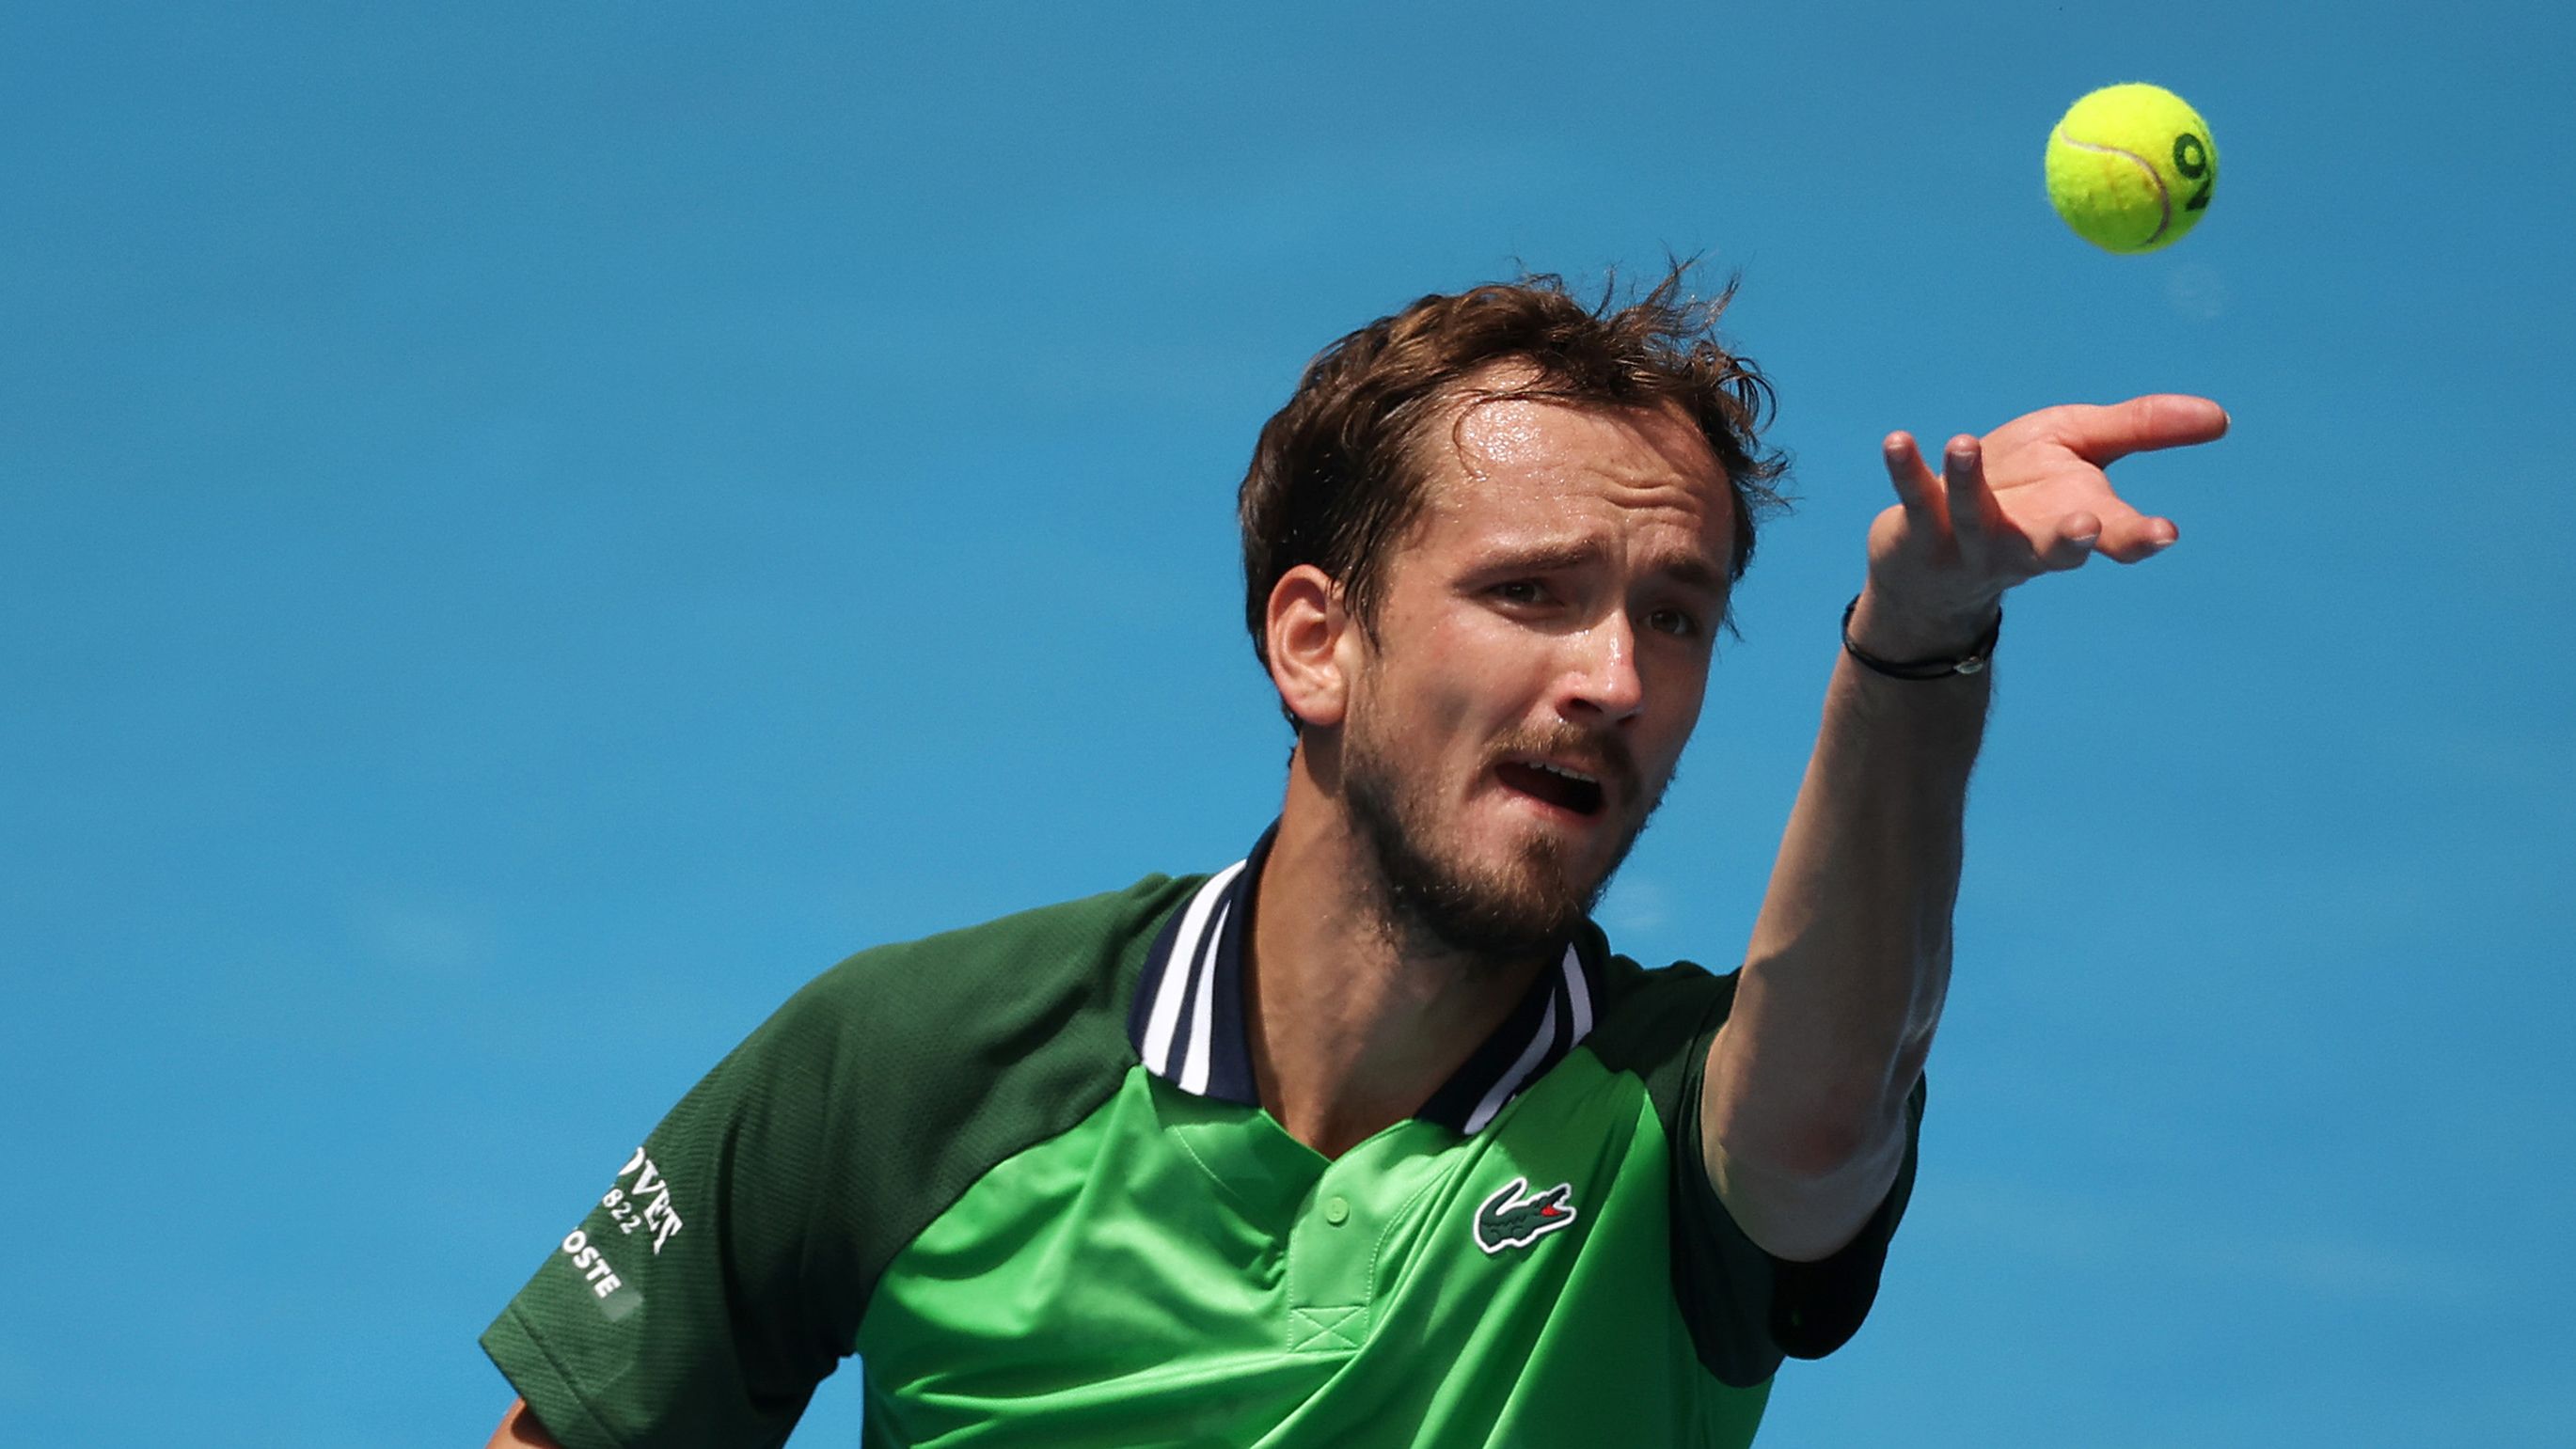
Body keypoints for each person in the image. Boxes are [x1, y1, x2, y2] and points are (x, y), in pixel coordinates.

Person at [479, 268, 2226, 1449]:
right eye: (1531, 591)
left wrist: (1916, 637)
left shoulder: (1669, 1130)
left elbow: (1829, 1106)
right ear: (1315, 640)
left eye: (1677, 616)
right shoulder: (911, 1065)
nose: (1613, 679)